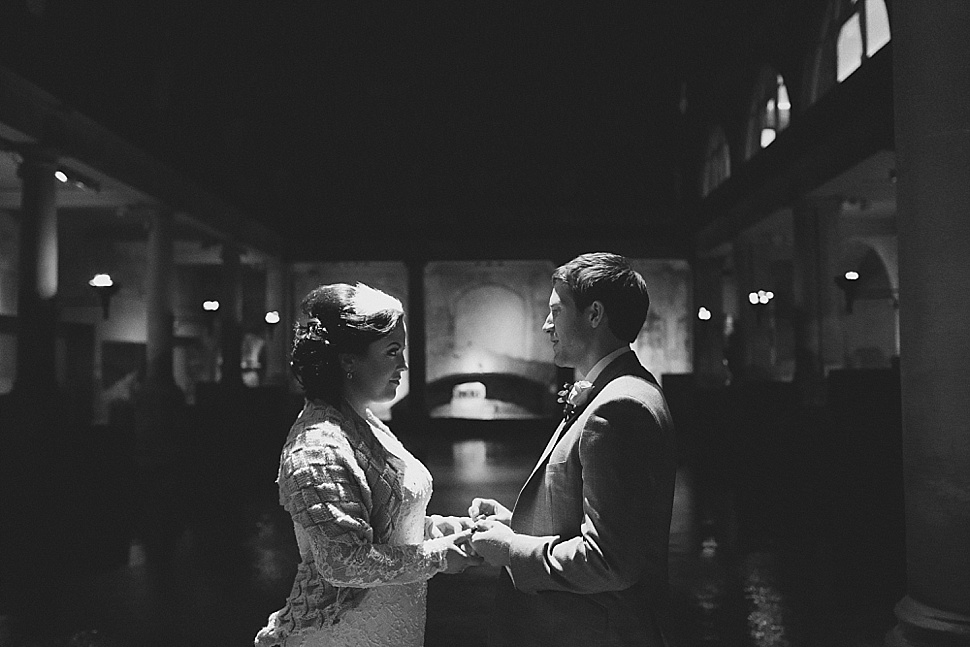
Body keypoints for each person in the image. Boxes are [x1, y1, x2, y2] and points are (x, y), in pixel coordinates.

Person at [469, 252, 678, 647]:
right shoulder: (623, 390)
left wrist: (511, 550)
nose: (547, 325)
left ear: (594, 314)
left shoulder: (620, 408)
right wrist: (514, 522)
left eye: (556, 311)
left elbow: (610, 561)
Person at [255, 282, 480, 647]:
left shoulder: (366, 423)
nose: (403, 365)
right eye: (392, 352)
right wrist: (437, 557)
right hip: (343, 630)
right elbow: (343, 562)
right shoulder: (318, 447)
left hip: (390, 622)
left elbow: (388, 519)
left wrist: (445, 529)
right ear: (347, 360)